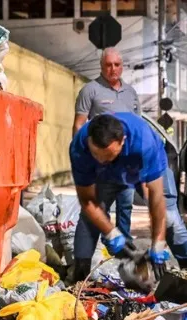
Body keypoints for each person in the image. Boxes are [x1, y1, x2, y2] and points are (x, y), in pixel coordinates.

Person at [70, 113, 169, 281]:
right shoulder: (79, 148)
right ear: (89, 141)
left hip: (136, 164)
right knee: (89, 220)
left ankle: (186, 267)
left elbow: (156, 196)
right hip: (105, 175)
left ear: (122, 140)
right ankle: (80, 273)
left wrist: (158, 242)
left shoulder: (144, 143)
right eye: (97, 154)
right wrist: (112, 234)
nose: (101, 160)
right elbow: (87, 200)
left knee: (171, 219)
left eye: (107, 155)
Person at [73, 48, 141, 241]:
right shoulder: (90, 90)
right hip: (102, 161)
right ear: (101, 66)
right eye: (108, 65)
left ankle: (124, 246)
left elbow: (138, 125)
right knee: (102, 205)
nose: (113, 69)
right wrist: (82, 156)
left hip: (126, 160)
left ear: (122, 66)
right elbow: (79, 124)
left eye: (117, 65)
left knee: (126, 205)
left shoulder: (131, 93)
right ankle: (105, 244)